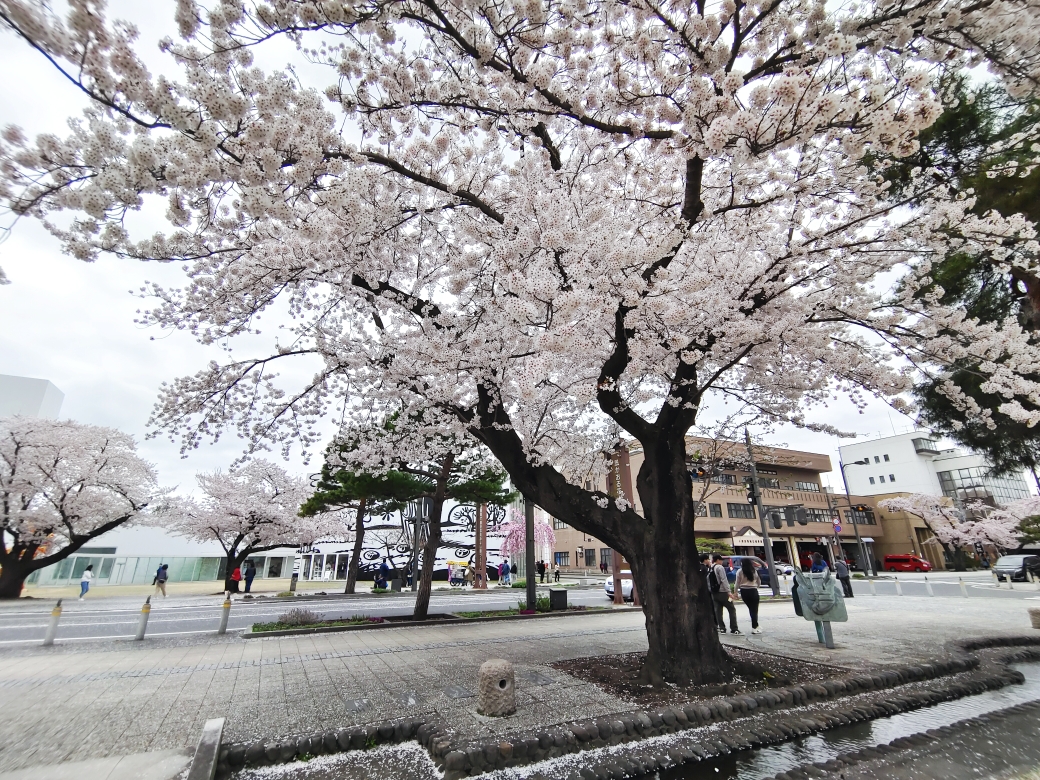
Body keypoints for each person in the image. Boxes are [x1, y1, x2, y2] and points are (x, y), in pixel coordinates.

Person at [710, 554, 740, 634]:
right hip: (723, 592)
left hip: (714, 593)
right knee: (731, 609)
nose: (722, 562)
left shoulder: (710, 568)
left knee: (718, 611)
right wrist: (729, 592)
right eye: (721, 560)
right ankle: (734, 628)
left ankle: (722, 628)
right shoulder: (720, 567)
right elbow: (724, 579)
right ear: (718, 560)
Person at [735, 557, 762, 634]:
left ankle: (756, 625)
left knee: (751, 609)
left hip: (744, 591)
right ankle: (754, 627)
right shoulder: (754, 571)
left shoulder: (739, 571)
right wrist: (757, 586)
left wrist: (735, 592)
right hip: (753, 591)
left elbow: (737, 582)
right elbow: (759, 581)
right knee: (754, 609)